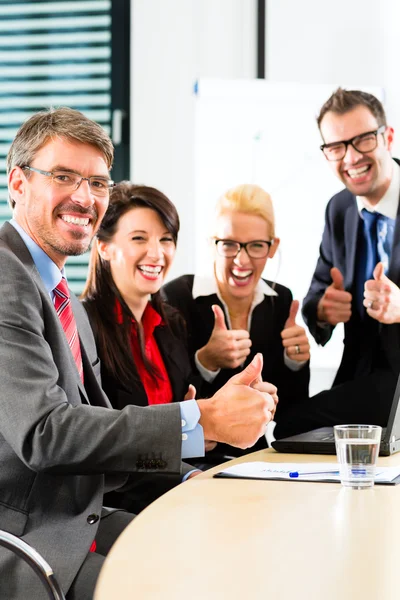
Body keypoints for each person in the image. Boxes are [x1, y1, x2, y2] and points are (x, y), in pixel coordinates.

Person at [0, 107, 275, 600]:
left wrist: (197, 435)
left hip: (77, 518)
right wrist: (198, 419)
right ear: (18, 182)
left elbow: (96, 434)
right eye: (64, 176)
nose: (84, 197)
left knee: (226, 557)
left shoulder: (61, 296)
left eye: (98, 183)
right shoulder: (6, 277)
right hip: (27, 537)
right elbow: (46, 435)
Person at [275, 88, 400, 438]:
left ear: (387, 137)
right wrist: (324, 311)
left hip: (394, 386)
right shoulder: (340, 208)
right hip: (359, 380)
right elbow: (317, 293)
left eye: (362, 140)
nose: (351, 157)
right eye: (336, 147)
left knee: (289, 429)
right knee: (289, 431)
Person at [82, 181, 208, 512]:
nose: (157, 253)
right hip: (116, 506)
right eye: (139, 238)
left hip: (176, 492)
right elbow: (97, 447)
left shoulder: (171, 324)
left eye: (166, 239)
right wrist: (186, 458)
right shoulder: (83, 327)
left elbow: (185, 428)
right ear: (104, 247)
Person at [162, 183, 310, 461]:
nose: (241, 260)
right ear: (212, 244)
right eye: (229, 244)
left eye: (256, 246)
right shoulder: (177, 297)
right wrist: (206, 362)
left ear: (272, 247)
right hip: (193, 462)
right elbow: (165, 406)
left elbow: (292, 410)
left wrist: (296, 362)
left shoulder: (280, 300)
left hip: (259, 459)